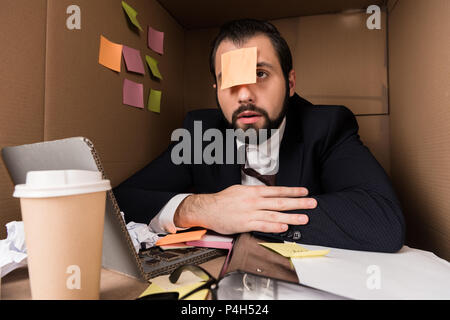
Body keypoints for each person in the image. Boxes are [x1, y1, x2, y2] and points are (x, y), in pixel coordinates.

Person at [113, 19, 405, 253]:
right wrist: (200, 208)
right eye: (230, 80)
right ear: (216, 89)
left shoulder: (326, 125)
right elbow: (120, 201)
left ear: (290, 83)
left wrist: (249, 216)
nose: (244, 95)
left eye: (260, 74)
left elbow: (382, 221)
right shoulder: (201, 132)